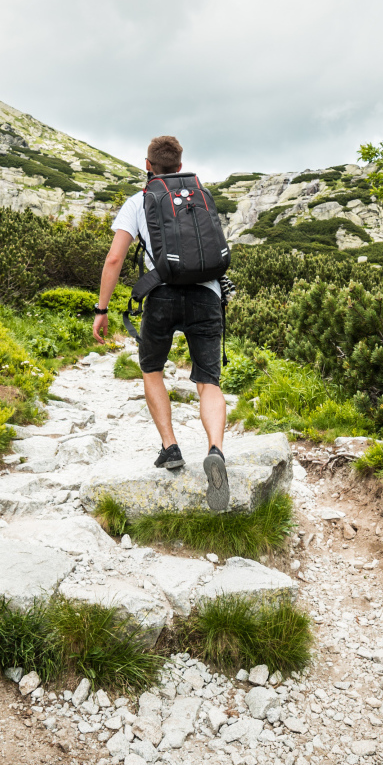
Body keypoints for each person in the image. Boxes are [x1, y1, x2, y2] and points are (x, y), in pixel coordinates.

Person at [92, 135, 230, 510]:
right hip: (207, 295)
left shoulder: (139, 201)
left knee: (152, 367)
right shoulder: (200, 196)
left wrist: (102, 309)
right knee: (208, 380)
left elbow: (114, 260)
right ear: (180, 166)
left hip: (163, 295)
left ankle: (170, 447)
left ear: (148, 165)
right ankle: (215, 449)